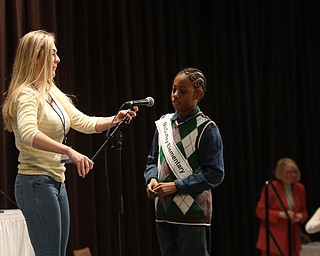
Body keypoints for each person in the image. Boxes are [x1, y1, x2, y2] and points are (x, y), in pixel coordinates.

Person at [1, 30, 138, 256]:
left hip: (56, 181)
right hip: (35, 183)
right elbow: (28, 134)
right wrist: (68, 151)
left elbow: (81, 121)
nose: (58, 59)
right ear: (37, 57)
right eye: (53, 54)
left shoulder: (51, 92)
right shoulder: (26, 95)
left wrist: (115, 119)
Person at [144, 67, 225, 256]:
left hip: (193, 216)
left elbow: (215, 174)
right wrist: (151, 180)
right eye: (173, 89)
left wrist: (177, 186)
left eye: (182, 91)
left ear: (198, 93)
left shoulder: (207, 128)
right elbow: (152, 160)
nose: (175, 95)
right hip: (164, 213)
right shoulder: (163, 124)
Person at [256, 157, 308, 256]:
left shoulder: (300, 188)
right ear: (281, 172)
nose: (293, 175)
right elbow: (260, 211)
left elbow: (304, 211)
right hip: (274, 238)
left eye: (294, 171)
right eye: (289, 172)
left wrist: (300, 216)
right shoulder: (271, 187)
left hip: (293, 238)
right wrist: (281, 214)